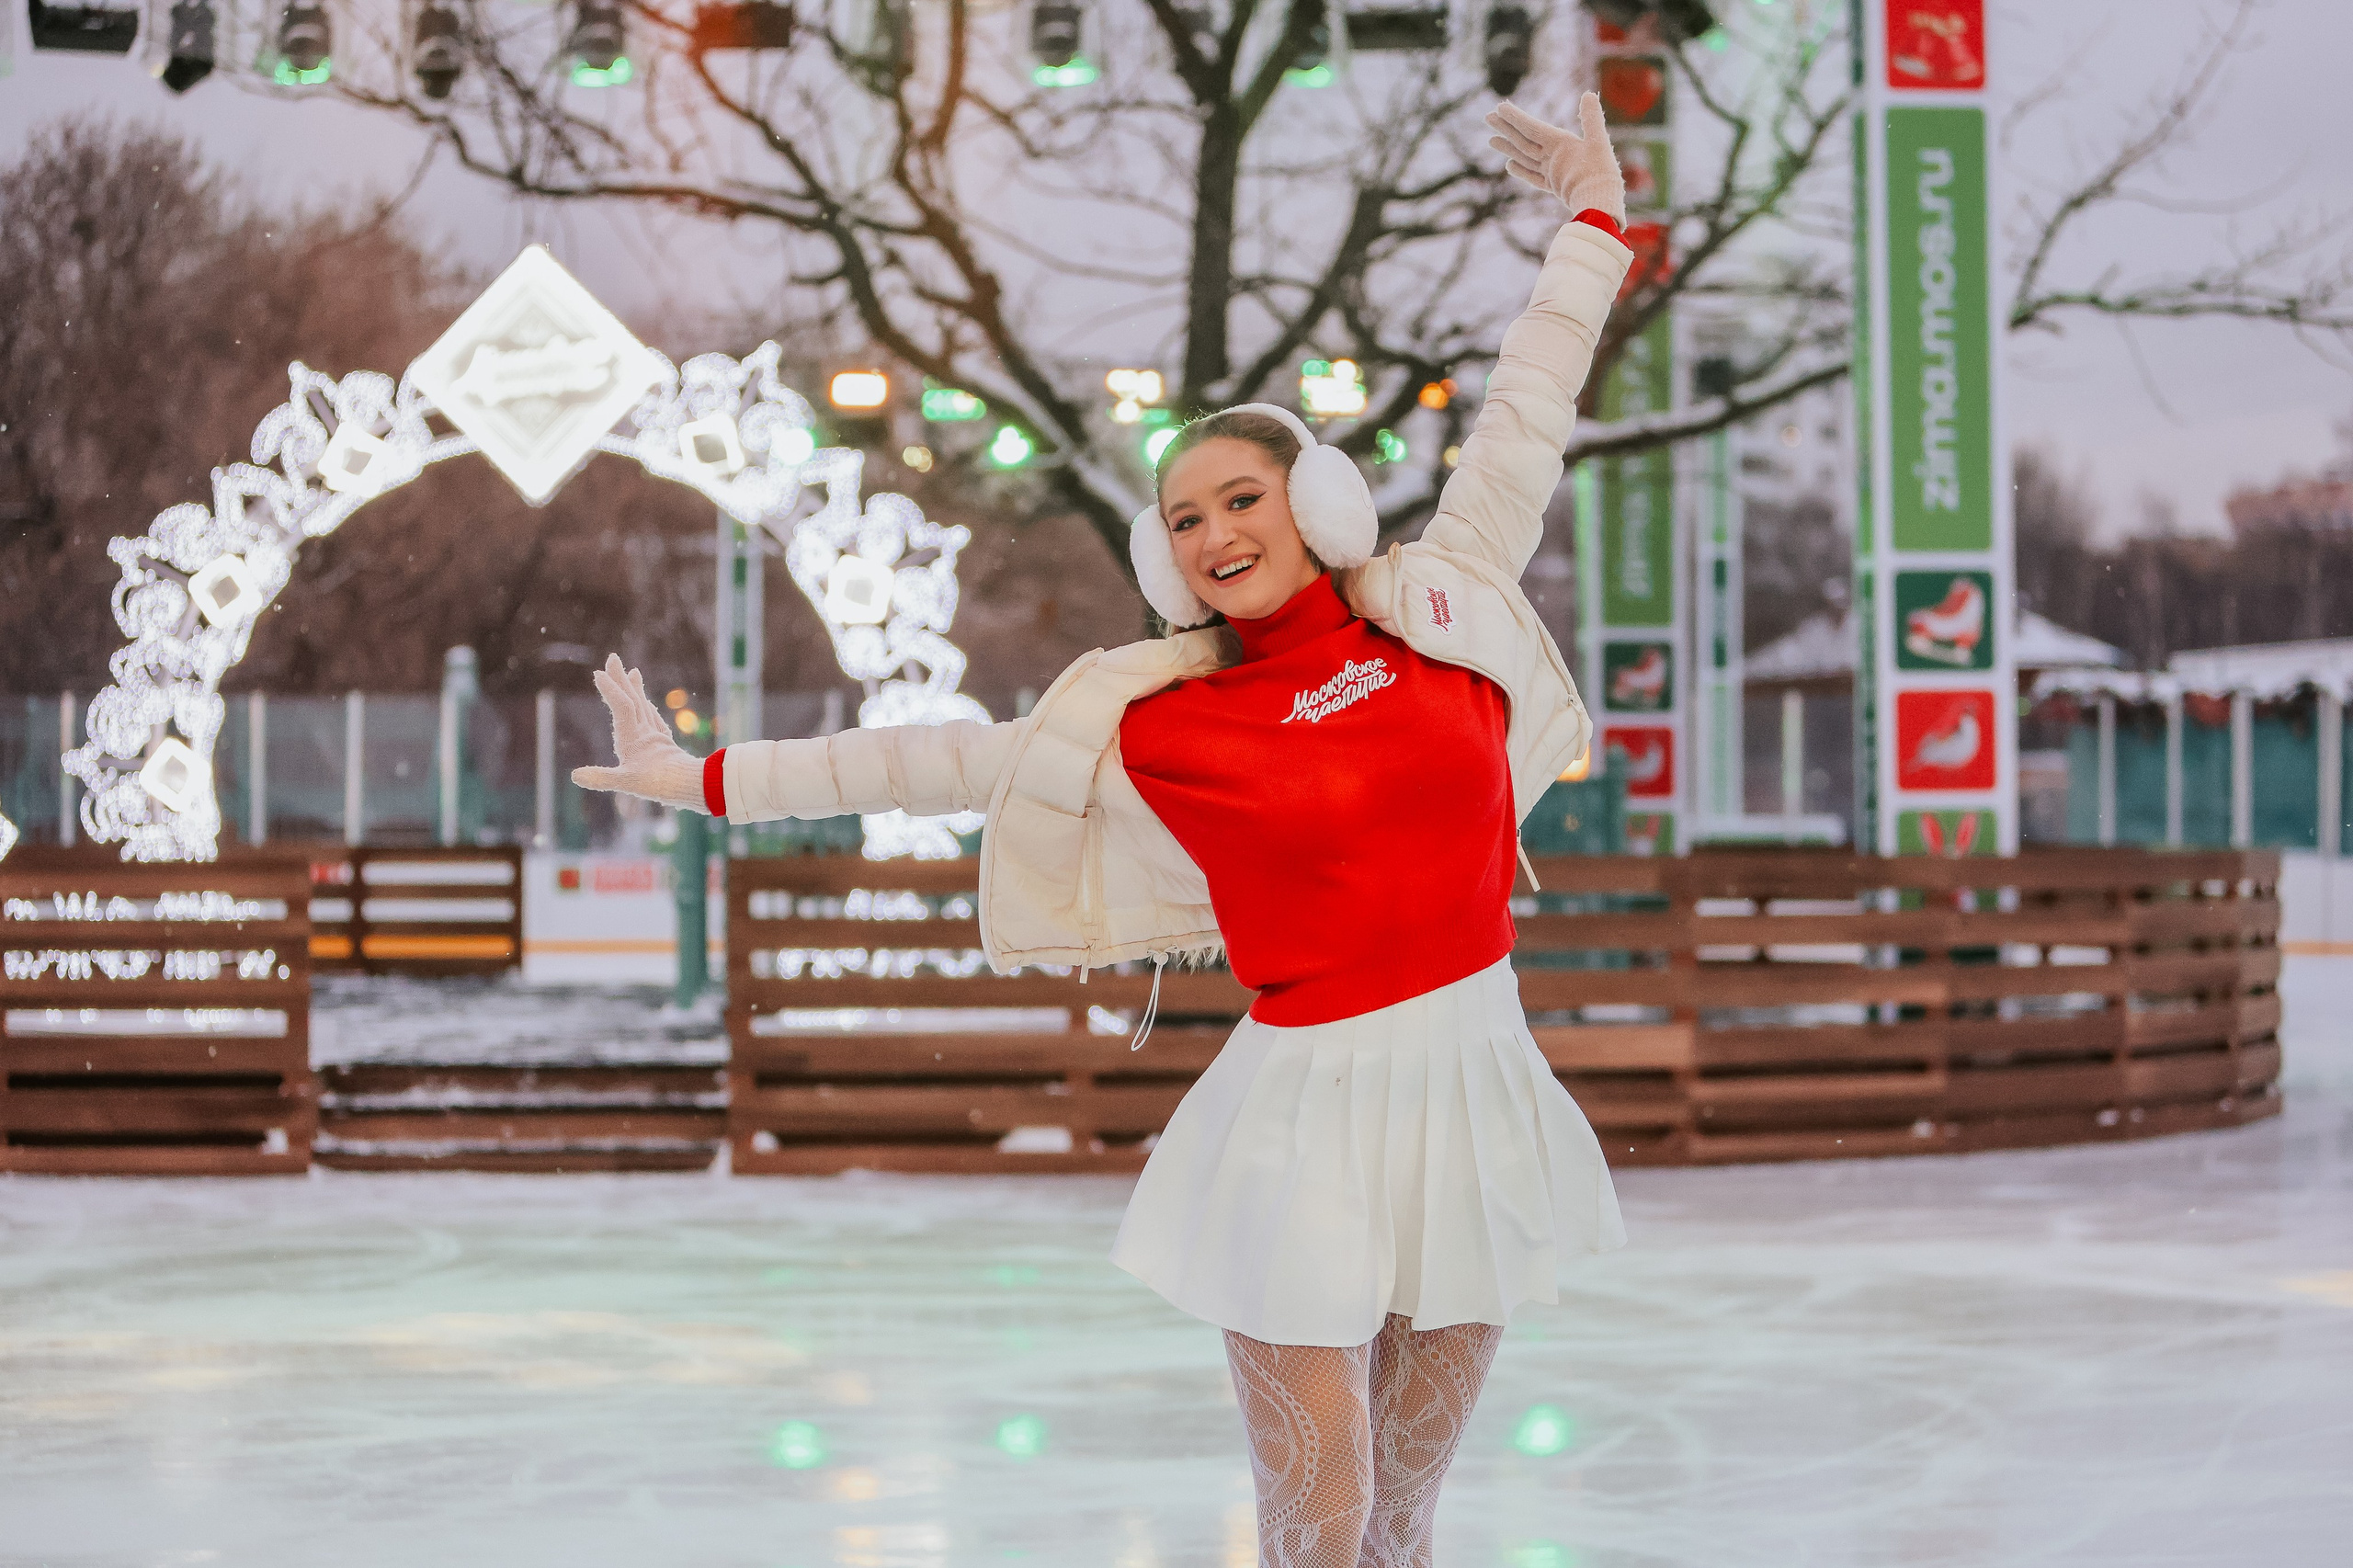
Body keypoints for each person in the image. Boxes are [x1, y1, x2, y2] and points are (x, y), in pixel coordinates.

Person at [577, 93, 1633, 1568]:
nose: (1212, 532)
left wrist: (1593, 225)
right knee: (1323, 1504)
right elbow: (934, 757)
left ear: (1317, 501)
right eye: (1183, 518)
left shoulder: (1444, 607)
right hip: (1303, 1121)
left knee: (1403, 1515)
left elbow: (1530, 407)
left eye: (1240, 496)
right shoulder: (1162, 724)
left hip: (1472, 1083)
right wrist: (701, 780)